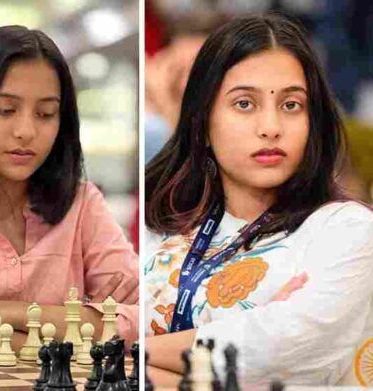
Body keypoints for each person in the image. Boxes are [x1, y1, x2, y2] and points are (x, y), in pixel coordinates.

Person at [144, 14, 373, 386]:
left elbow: (277, 351)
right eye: (245, 104)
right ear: (202, 123)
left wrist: (141, 354)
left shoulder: (346, 229)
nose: (271, 127)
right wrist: (241, 332)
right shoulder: (163, 228)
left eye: (291, 105)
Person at [0, 25, 139, 357]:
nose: (26, 131)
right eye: (6, 109)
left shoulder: (83, 203)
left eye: (46, 114)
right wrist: (62, 339)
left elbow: (140, 317)